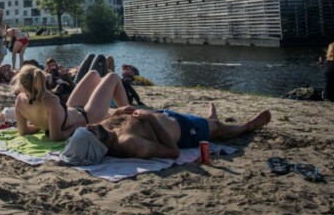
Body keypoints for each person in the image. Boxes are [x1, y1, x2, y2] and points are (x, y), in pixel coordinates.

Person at [82, 104, 272, 159]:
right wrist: (149, 118)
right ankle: (248, 126)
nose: (90, 126)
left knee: (206, 121)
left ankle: (210, 118)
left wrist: (118, 111)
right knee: (218, 129)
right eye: (90, 132)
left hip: (167, 115)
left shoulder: (103, 129)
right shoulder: (129, 143)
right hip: (185, 131)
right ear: (98, 145)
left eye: (86, 128)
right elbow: (173, 152)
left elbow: (99, 124)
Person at [14, 65, 130, 142]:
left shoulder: (19, 101)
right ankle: (129, 118)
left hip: (70, 110)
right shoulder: (51, 100)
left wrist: (39, 125)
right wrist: (74, 128)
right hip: (86, 117)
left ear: (22, 85)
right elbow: (56, 137)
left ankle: (124, 112)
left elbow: (23, 131)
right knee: (113, 76)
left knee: (93, 73)